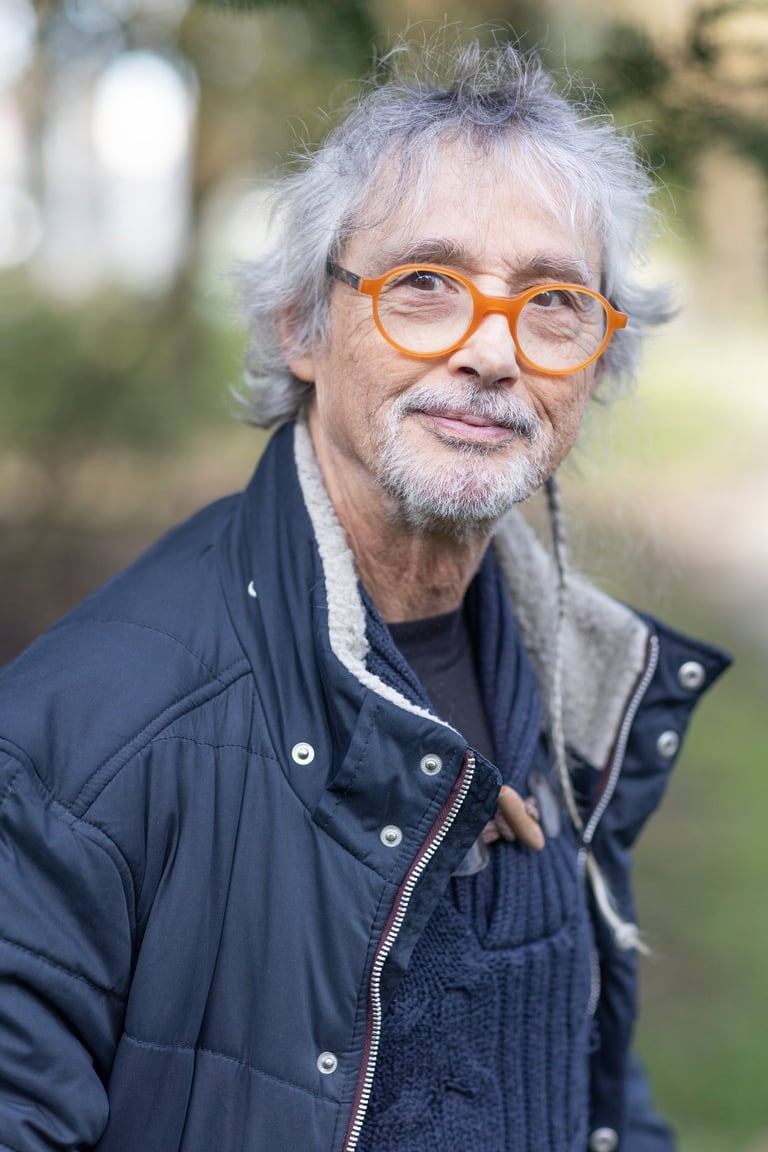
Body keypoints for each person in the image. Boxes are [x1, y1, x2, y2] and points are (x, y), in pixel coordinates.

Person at [0, 35, 729, 1152]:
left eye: (552, 300)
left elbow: (591, 1090)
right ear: (302, 324)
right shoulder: (78, 748)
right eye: (426, 284)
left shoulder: (580, 695)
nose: (494, 353)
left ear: (596, 361)